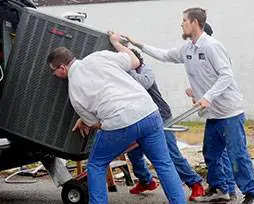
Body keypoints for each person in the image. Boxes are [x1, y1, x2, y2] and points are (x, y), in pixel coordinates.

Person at [127, 7, 254, 203]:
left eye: (184, 20)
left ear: (195, 23)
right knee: (211, 153)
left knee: (237, 155)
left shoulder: (211, 46)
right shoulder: (188, 48)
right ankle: (220, 189)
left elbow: (226, 75)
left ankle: (253, 194)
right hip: (213, 115)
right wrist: (136, 44)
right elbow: (164, 55)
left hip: (229, 112)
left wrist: (207, 96)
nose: (181, 24)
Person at [47, 32, 185, 204]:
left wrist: (87, 120)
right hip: (149, 112)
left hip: (120, 122)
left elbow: (96, 124)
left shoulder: (74, 91)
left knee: (96, 165)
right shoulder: (98, 57)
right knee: (164, 163)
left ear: (62, 68)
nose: (55, 76)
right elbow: (134, 62)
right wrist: (116, 43)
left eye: (54, 72)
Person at [126, 48, 205, 201]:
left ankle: (195, 183)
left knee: (169, 153)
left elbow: (142, 84)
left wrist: (127, 70)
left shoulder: (145, 70)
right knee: (133, 151)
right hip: (140, 117)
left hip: (160, 116)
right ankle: (146, 181)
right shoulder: (128, 74)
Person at [187, 22, 238, 200]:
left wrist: (206, 96)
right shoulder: (207, 53)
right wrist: (198, 92)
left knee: (221, 154)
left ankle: (227, 188)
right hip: (214, 112)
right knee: (216, 153)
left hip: (223, 112)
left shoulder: (213, 50)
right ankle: (224, 188)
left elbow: (223, 80)